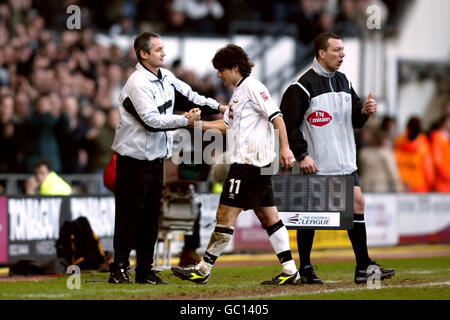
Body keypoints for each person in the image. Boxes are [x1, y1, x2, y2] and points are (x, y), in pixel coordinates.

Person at [171, 44, 300, 285]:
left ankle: (203, 269)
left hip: (249, 165)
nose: (219, 75)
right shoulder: (239, 93)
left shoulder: (253, 87)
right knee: (269, 216)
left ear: (235, 67)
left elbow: (277, 116)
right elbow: (227, 125)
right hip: (254, 164)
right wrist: (196, 125)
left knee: (224, 214)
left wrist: (285, 148)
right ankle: (290, 270)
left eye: (222, 70)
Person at [108, 32, 226, 285]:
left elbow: (191, 95)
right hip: (133, 160)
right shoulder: (137, 83)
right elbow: (151, 121)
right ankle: (118, 268)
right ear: (143, 54)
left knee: (151, 217)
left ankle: (144, 270)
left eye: (163, 48)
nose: (164, 53)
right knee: (130, 216)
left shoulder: (166, 77)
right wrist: (185, 120)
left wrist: (218, 107)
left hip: (155, 159)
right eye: (159, 49)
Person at [280, 32, 396, 285]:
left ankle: (363, 266)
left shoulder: (344, 81)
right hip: (316, 162)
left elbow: (354, 118)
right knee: (308, 215)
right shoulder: (300, 87)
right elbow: (288, 126)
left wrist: (364, 111)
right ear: (321, 53)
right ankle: (307, 267)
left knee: (357, 203)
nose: (342, 54)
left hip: (345, 161)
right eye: (337, 50)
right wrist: (302, 155)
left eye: (343, 49)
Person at [394, 116, 435, 192]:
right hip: (419, 187)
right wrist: (431, 184)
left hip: (402, 186)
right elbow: (428, 169)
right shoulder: (423, 146)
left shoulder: (399, 143)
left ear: (407, 127)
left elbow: (394, 164)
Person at [429, 115, 450, 192]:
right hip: (442, 184)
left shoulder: (446, 139)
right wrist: (448, 175)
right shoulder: (438, 140)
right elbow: (438, 163)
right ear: (443, 124)